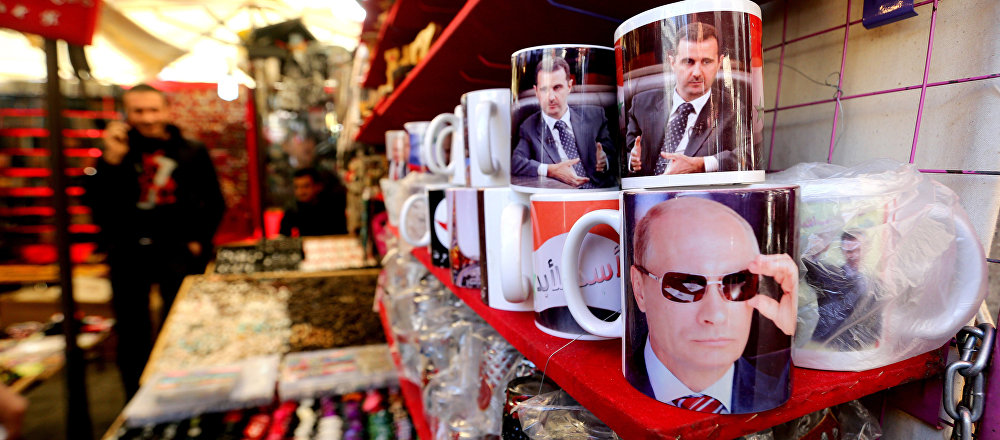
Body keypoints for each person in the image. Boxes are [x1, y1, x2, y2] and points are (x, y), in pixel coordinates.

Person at [85, 83, 225, 399]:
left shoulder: (190, 150)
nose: (147, 118)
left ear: (166, 110)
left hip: (177, 248)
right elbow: (96, 204)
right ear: (127, 114)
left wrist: (199, 242)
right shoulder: (115, 151)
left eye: (153, 109)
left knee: (180, 323)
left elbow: (214, 200)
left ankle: (181, 390)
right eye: (138, 111)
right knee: (132, 331)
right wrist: (111, 160)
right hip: (128, 251)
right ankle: (136, 398)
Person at [627, 197, 797, 413]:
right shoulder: (610, 395)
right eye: (686, 285)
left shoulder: (776, 386)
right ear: (639, 289)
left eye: (736, 282)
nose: (715, 314)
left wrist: (798, 328)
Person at [625, 22, 750, 176]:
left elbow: (749, 155)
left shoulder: (732, 109)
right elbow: (626, 153)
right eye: (688, 61)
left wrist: (702, 164)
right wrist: (632, 161)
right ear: (672, 62)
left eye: (706, 61)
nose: (697, 72)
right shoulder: (641, 104)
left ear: (719, 63)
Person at [511, 57, 616, 188]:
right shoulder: (528, 127)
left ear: (569, 86)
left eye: (557, 87)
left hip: (602, 192)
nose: (551, 97)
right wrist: (550, 170)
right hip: (563, 197)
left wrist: (605, 161)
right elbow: (515, 162)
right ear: (536, 91)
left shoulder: (595, 116)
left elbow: (615, 157)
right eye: (544, 89)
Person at [804, 231, 882, 350]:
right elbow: (805, 265)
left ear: (865, 250)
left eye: (858, 250)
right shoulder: (829, 275)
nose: (854, 255)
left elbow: (877, 321)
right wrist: (818, 248)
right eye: (849, 251)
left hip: (860, 351)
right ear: (842, 251)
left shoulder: (874, 284)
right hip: (827, 349)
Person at [279, 167, 348, 236]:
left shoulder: (332, 209)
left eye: (306, 186)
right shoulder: (292, 211)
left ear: (318, 186)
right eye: (296, 187)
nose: (300, 192)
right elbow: (283, 237)